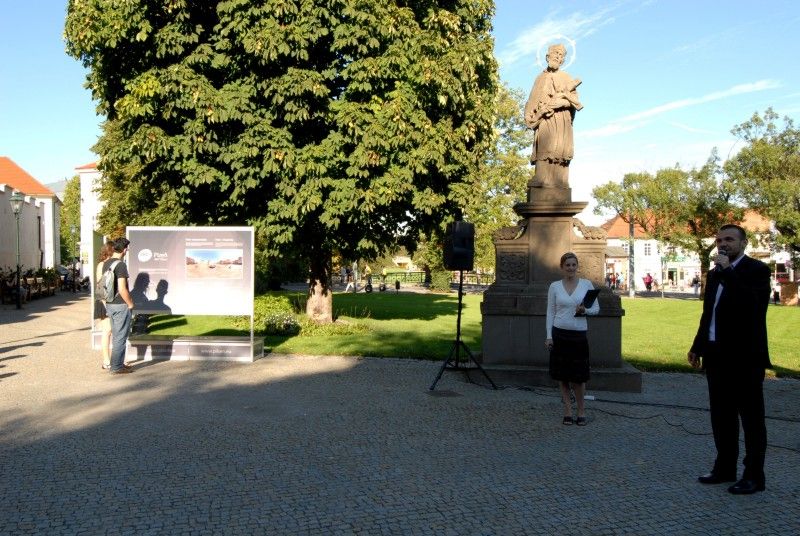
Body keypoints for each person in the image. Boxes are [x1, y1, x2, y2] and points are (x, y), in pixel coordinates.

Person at [687, 224, 771, 495]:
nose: (723, 244)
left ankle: (754, 475)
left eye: (730, 239)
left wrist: (729, 271)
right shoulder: (714, 274)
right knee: (721, 417)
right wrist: (698, 345)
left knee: (751, 419)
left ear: (744, 243)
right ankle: (725, 467)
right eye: (719, 240)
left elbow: (752, 306)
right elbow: (708, 313)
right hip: (716, 356)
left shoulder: (757, 270)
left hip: (746, 358)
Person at [545, 252, 600, 426]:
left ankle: (581, 411)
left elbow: (596, 309)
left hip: (578, 335)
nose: (570, 268)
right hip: (559, 334)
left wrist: (585, 310)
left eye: (573, 265)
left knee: (579, 377)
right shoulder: (554, 286)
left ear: (577, 266)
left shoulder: (586, 284)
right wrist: (549, 336)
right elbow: (550, 312)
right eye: (567, 265)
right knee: (563, 376)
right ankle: (568, 410)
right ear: (562, 267)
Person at [524, 43, 582, 189]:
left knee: (559, 148)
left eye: (561, 55)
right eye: (555, 53)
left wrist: (561, 103)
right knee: (544, 144)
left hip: (561, 119)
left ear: (563, 60)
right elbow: (532, 101)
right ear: (547, 56)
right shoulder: (539, 78)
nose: (557, 56)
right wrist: (531, 116)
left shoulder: (566, 78)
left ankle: (560, 181)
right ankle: (541, 177)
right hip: (544, 118)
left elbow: (575, 101)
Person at [104, 237, 136, 374]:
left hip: (110, 304)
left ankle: (117, 364)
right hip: (120, 305)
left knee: (117, 336)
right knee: (120, 337)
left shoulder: (107, 263)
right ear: (124, 249)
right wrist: (130, 304)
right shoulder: (121, 265)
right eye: (127, 248)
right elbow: (122, 289)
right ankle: (117, 367)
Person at [95, 241, 114, 369]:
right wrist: (105, 302)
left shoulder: (113, 264)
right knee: (107, 331)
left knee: (113, 331)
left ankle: (115, 360)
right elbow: (100, 285)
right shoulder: (102, 265)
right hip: (104, 300)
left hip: (112, 300)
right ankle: (106, 360)